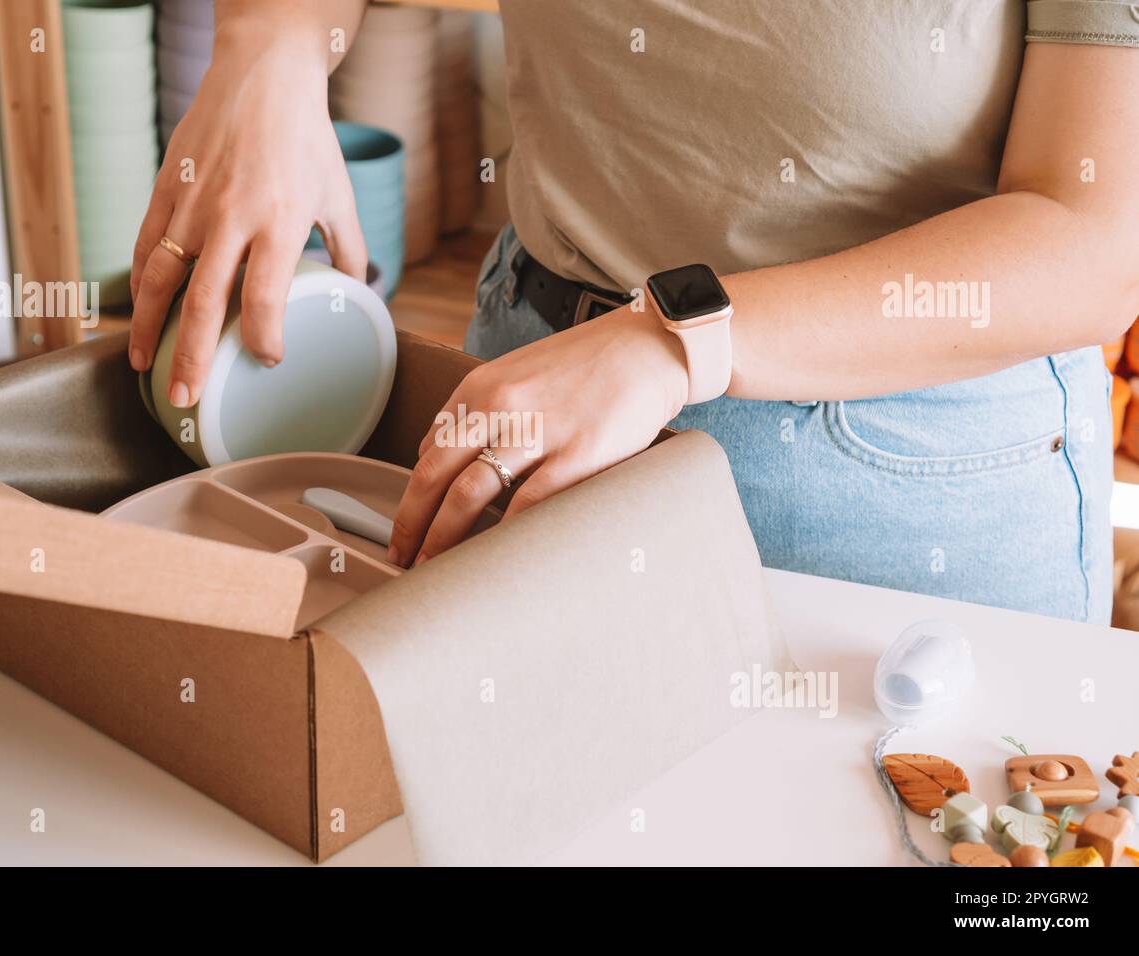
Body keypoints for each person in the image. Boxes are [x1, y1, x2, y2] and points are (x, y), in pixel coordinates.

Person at [129, 0, 1139, 623]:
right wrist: (271, 47)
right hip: (538, 375)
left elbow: (1096, 235)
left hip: (897, 478)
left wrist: (671, 337)